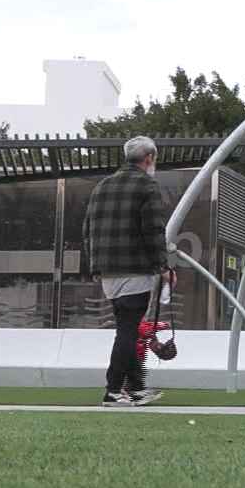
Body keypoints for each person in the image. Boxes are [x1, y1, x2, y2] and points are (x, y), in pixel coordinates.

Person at [82, 135, 175, 407]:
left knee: (128, 327)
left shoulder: (102, 185)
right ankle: (113, 391)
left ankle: (135, 388)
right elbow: (153, 231)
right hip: (134, 269)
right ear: (149, 158)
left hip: (106, 270)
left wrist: (94, 265)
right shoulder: (147, 185)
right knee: (128, 330)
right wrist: (163, 267)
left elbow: (87, 229)